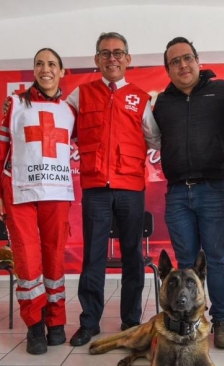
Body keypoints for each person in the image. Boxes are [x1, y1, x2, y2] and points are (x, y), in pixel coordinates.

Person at [67, 32, 161, 346]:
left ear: (128, 59)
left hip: (131, 187)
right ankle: (89, 322)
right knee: (93, 256)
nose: (112, 58)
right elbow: (58, 127)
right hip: (95, 186)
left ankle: (131, 322)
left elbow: (156, 139)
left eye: (118, 52)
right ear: (97, 60)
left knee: (133, 256)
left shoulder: (140, 97)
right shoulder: (80, 95)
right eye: (105, 53)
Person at [0, 48, 75, 355]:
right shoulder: (15, 103)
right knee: (27, 259)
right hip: (20, 192)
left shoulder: (69, 110)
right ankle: (34, 325)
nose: (45, 68)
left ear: (62, 71)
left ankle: (56, 322)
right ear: (34, 70)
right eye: (39, 63)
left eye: (52, 63)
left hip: (56, 192)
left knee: (54, 257)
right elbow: (0, 152)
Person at [153, 37, 224, 349]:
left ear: (198, 60)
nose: (182, 65)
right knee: (185, 264)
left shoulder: (223, 91)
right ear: (168, 69)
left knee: (215, 260)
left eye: (187, 58)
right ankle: (189, 321)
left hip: (213, 188)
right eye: (175, 61)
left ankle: (221, 320)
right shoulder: (162, 103)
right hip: (176, 193)